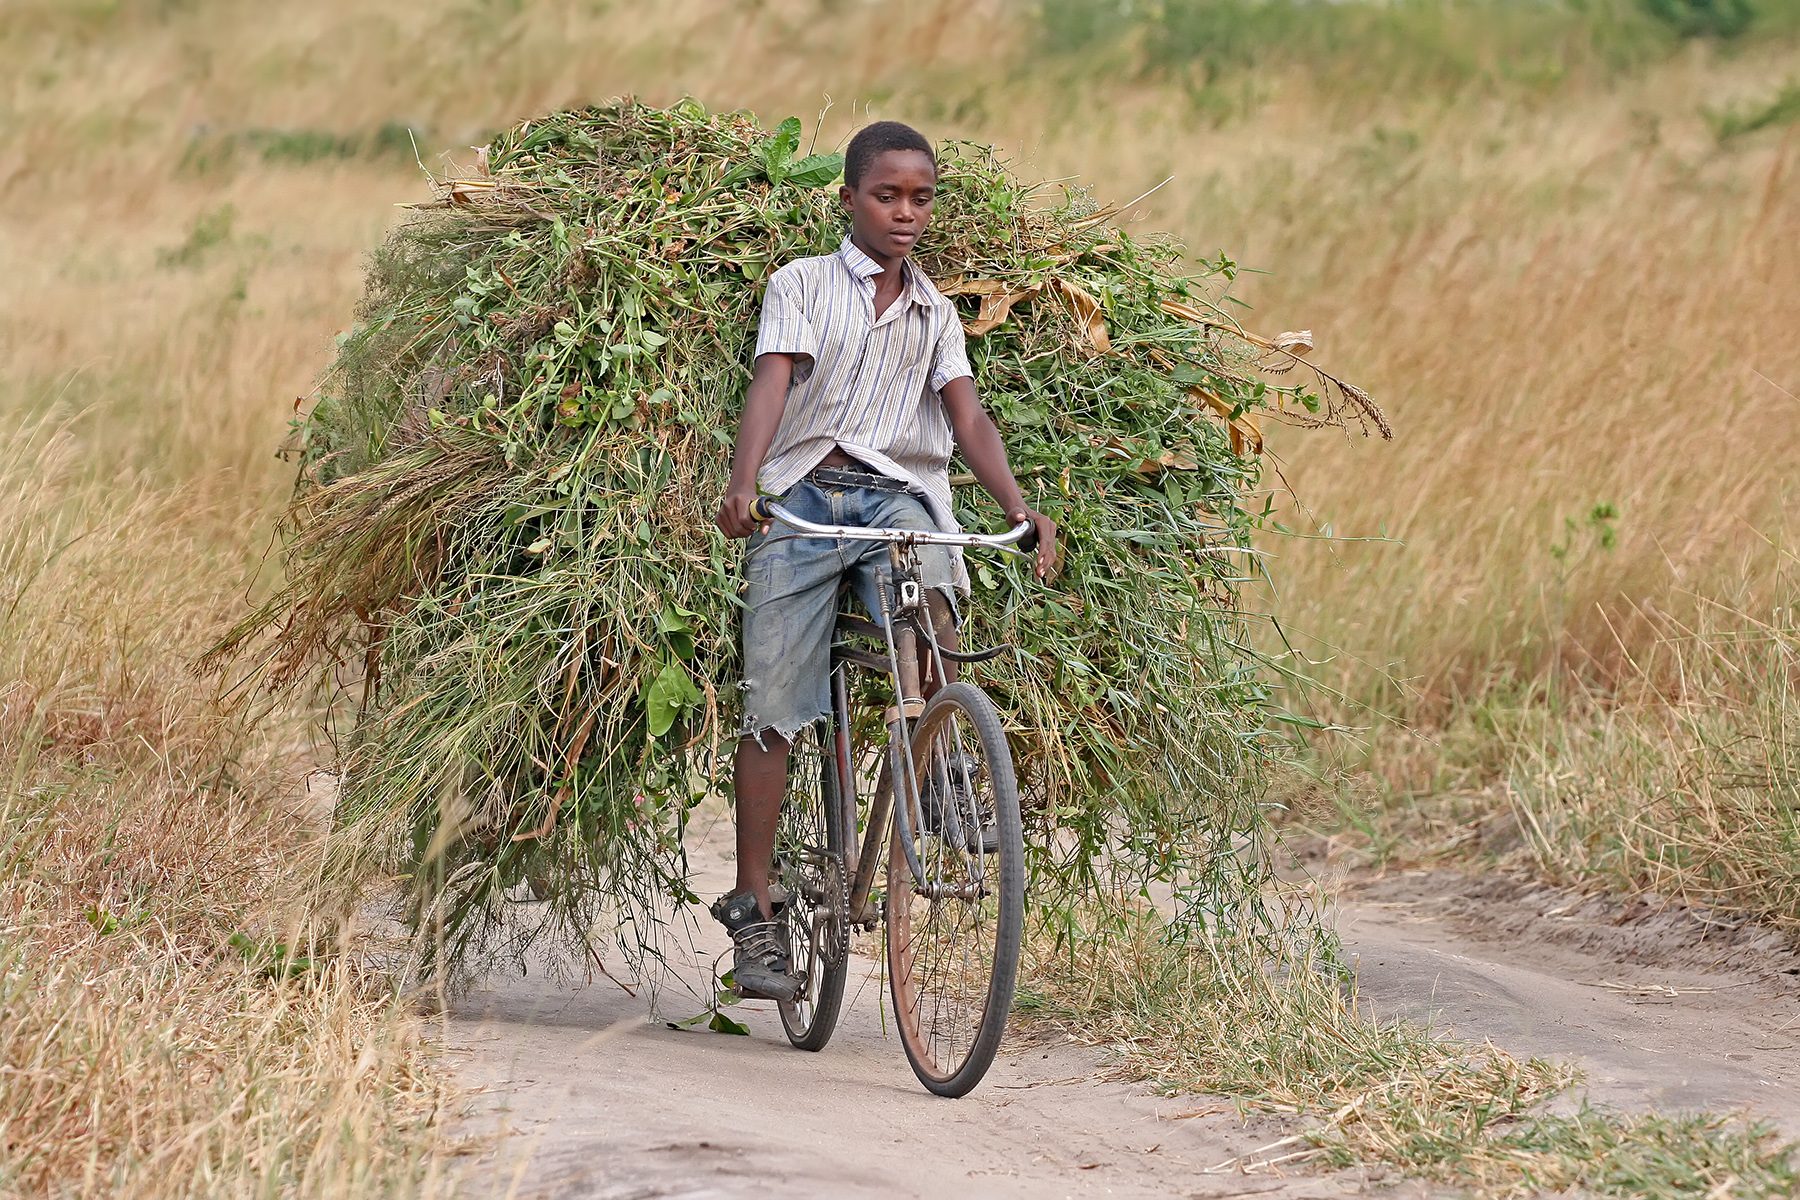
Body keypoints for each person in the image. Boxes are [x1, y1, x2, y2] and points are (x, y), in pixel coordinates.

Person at [712, 120, 1058, 1001]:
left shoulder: (936, 312)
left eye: (921, 198)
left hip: (894, 492)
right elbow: (772, 384)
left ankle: (942, 765)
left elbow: (967, 419)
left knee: (931, 590)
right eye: (887, 196)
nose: (906, 214)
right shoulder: (802, 284)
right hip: (804, 495)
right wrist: (745, 486)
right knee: (774, 699)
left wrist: (1020, 509)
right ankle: (756, 906)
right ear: (850, 200)